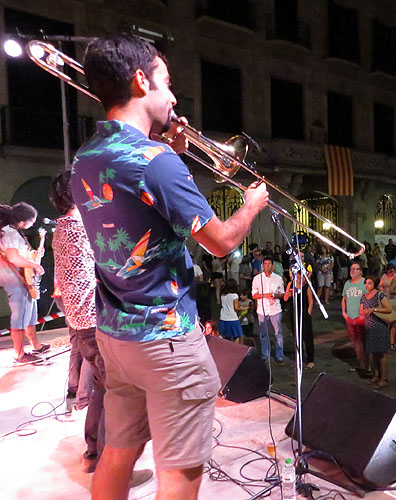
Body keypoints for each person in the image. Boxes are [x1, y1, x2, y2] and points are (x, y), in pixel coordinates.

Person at [72, 34, 268, 500]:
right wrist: (251, 206)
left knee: (118, 452)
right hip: (167, 342)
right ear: (141, 81)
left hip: (117, 335)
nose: (174, 97)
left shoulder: (86, 157)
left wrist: (171, 155)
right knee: (179, 471)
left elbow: (138, 205)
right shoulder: (155, 161)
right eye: (167, 82)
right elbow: (220, 241)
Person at [50, 170, 108, 474]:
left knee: (102, 387)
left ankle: (92, 451)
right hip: (95, 321)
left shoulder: (61, 228)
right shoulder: (82, 228)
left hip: (79, 321)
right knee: (116, 392)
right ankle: (110, 464)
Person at [0, 202, 49, 365]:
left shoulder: (13, 232)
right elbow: (14, 258)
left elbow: (21, 255)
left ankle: (35, 346)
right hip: (15, 279)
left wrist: (34, 255)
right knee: (20, 316)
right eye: (31, 222)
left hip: (21, 278)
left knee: (29, 313)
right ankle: (20, 354)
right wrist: (34, 265)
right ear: (22, 221)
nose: (31, 225)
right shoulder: (10, 233)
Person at [360, 276, 393, 388]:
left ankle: (384, 378)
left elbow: (389, 309)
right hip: (369, 327)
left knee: (381, 353)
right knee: (373, 352)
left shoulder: (380, 295)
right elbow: (361, 310)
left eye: (370, 283)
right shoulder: (364, 296)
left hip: (379, 326)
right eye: (366, 283)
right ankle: (376, 375)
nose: (367, 285)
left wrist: (374, 309)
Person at [252, 256, 286, 363]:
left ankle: (279, 355)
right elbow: (254, 295)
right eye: (265, 264)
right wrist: (265, 295)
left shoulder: (278, 278)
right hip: (262, 310)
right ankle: (265, 354)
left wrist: (275, 295)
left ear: (273, 266)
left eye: (269, 264)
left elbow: (282, 294)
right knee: (263, 333)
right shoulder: (257, 279)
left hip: (275, 309)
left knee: (278, 333)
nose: (267, 266)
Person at [284, 267, 315, 368]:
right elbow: (285, 298)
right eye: (297, 274)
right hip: (294, 312)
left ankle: (310, 359)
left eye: (301, 274)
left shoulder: (307, 286)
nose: (299, 276)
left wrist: (308, 312)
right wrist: (289, 292)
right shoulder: (291, 284)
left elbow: (311, 301)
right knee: (297, 336)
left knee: (307, 336)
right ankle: (299, 359)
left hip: (304, 312)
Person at [341, 262, 368, 373]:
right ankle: (360, 363)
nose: (353, 271)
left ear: (361, 271)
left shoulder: (365, 283)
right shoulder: (347, 284)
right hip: (350, 317)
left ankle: (366, 364)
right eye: (351, 269)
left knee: (363, 340)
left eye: (356, 269)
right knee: (355, 341)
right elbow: (344, 299)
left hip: (362, 317)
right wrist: (344, 312)